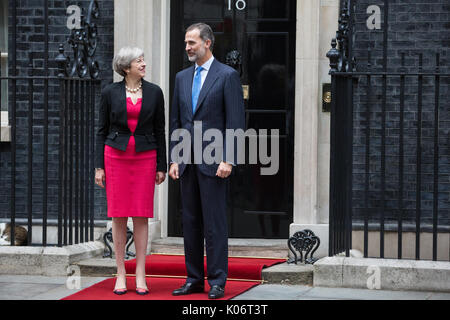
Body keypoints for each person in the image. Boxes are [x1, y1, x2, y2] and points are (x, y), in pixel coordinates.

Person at [169, 23, 245, 299]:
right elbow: (177, 121)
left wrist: (229, 159)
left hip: (215, 162)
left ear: (208, 43)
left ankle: (217, 281)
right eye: (186, 43)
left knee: (214, 224)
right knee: (190, 222)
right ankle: (193, 279)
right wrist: (174, 158)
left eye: (192, 42)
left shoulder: (227, 76)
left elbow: (235, 122)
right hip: (187, 162)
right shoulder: (181, 78)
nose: (187, 47)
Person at [95, 47, 167, 296]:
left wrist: (161, 166)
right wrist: (98, 167)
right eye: (139, 61)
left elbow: (160, 131)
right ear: (126, 67)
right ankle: (120, 273)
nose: (144, 64)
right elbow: (101, 131)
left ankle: (140, 273)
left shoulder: (156, 92)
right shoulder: (109, 92)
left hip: (146, 156)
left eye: (144, 60)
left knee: (141, 215)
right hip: (115, 156)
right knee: (118, 215)